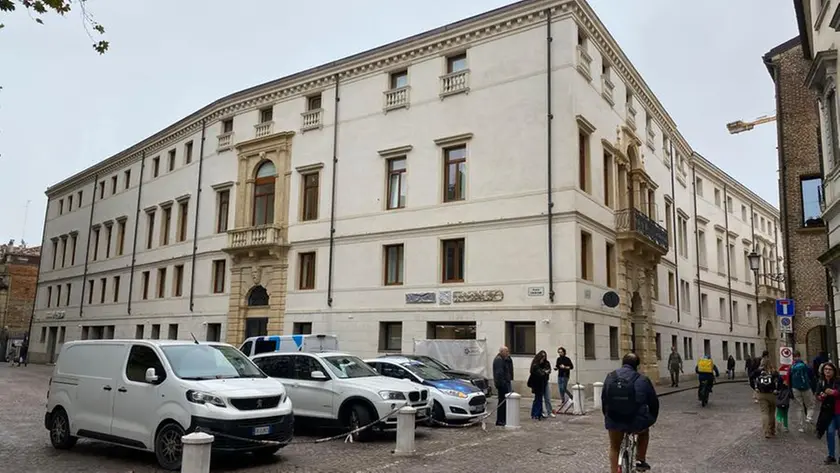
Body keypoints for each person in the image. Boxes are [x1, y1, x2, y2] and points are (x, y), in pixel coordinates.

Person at [602, 353, 659, 473]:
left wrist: (608, 417)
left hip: (614, 420)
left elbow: (604, 400)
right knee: (644, 433)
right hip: (636, 422)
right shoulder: (643, 380)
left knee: (614, 447)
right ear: (637, 366)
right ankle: (640, 460)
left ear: (622, 363)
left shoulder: (610, 377)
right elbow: (653, 403)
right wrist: (650, 420)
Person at [816, 362, 840, 464]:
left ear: (834, 371)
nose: (827, 371)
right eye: (826, 369)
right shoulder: (821, 382)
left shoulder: (838, 381)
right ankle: (831, 455)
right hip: (828, 412)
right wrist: (821, 396)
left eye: (830, 369)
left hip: (839, 411)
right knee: (830, 433)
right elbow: (817, 395)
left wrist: (835, 393)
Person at [752, 358, 780, 438]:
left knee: (764, 413)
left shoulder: (758, 372)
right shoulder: (773, 371)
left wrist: (755, 388)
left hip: (761, 394)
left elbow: (751, 377)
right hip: (772, 394)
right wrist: (777, 390)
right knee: (771, 412)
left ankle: (766, 431)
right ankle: (772, 430)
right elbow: (779, 381)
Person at [790, 350, 815, 433]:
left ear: (793, 357)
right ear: (800, 356)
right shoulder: (805, 365)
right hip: (806, 388)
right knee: (810, 405)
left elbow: (789, 378)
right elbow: (812, 376)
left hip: (795, 388)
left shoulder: (792, 367)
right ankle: (808, 417)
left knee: (799, 407)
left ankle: (801, 427)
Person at [492, 346, 512, 427]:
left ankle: (503, 419)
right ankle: (500, 420)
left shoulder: (503, 360)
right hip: (502, 385)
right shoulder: (499, 360)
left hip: (504, 383)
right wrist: (503, 383)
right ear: (502, 352)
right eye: (506, 351)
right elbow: (499, 373)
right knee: (502, 402)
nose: (508, 353)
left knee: (504, 402)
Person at [527, 350, 550, 420]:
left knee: (539, 399)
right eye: (542, 358)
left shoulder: (544, 363)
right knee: (537, 399)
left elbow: (546, 371)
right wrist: (544, 372)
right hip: (537, 384)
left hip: (542, 384)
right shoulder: (535, 365)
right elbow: (540, 374)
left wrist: (545, 372)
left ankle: (538, 413)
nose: (543, 359)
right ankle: (535, 414)